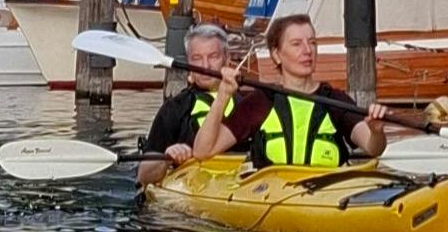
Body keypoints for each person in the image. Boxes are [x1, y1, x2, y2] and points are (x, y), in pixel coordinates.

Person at [189, 12, 387, 168]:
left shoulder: (335, 101)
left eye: (312, 42)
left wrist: (376, 131)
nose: (307, 51)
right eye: (296, 44)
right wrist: (223, 96)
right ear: (277, 55)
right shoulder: (261, 102)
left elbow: (372, 147)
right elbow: (203, 151)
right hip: (272, 196)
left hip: (325, 199)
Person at [133, 22, 237, 187]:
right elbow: (143, 177)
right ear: (188, 62)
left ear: (227, 59)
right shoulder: (174, 108)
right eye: (197, 58)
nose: (205, 66)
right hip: (191, 186)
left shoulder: (248, 103)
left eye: (213, 57)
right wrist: (167, 158)